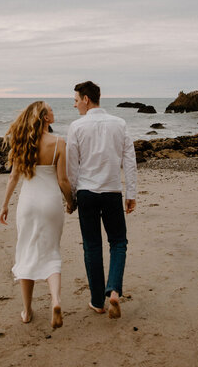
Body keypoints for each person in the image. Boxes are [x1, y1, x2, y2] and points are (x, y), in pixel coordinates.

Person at [0, 101, 74, 328]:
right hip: (51, 203)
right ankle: (56, 301)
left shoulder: (21, 142)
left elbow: (13, 178)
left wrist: (4, 205)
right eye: (50, 109)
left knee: (26, 253)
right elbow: (63, 181)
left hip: (28, 204)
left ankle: (27, 310)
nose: (53, 110)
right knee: (52, 252)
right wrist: (71, 202)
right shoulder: (59, 142)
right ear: (45, 118)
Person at [66, 81, 137, 319]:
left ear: (86, 99)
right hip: (112, 192)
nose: (74, 104)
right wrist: (131, 194)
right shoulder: (119, 123)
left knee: (92, 246)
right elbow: (129, 161)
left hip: (86, 192)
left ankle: (98, 301)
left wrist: (73, 196)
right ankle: (114, 291)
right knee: (118, 243)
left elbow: (72, 167)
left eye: (76, 100)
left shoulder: (76, 127)